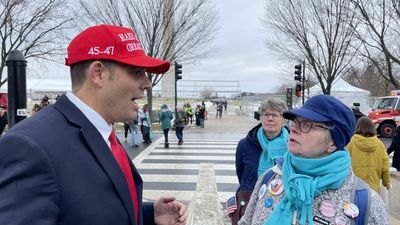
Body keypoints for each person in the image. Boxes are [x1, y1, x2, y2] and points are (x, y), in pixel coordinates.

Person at [0, 24, 187, 225]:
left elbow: (90, 209)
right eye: (137, 72)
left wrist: (149, 214)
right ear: (98, 73)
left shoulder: (104, 132)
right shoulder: (30, 145)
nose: (147, 83)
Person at [239, 95, 389, 225]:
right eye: (295, 122)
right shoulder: (268, 179)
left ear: (334, 143)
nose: (294, 129)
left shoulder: (365, 202)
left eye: (306, 124)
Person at [230, 98, 288, 225]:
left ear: (283, 120)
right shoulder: (245, 145)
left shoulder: (293, 145)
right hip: (248, 202)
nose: (270, 118)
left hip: (282, 205)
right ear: (260, 117)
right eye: (266, 114)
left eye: (275, 115)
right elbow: (241, 174)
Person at [346, 117, 391, 193]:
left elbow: (344, 164)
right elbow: (385, 167)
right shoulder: (380, 145)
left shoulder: (351, 143)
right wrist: (386, 183)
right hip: (373, 188)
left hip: (354, 186)